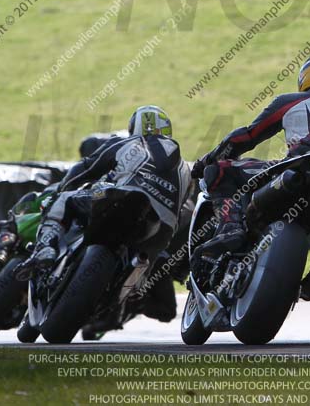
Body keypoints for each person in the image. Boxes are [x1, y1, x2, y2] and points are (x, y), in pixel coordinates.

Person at [190, 52, 310, 301]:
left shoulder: (294, 101)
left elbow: (245, 137)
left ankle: (230, 229)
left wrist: (205, 161)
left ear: (305, 77)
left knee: (219, 170)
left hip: (301, 165)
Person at [18, 105, 191, 321]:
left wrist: (63, 188)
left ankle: (45, 247)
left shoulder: (127, 143)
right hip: (161, 227)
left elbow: (87, 168)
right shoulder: (185, 168)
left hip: (120, 200)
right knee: (149, 267)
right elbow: (184, 208)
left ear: (133, 127)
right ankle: (130, 291)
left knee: (64, 199)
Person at [0, 134, 119, 277]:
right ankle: (1, 251)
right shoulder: (83, 173)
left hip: (93, 218)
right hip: (72, 201)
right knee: (34, 198)